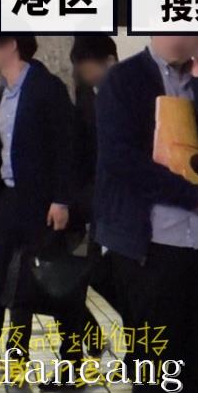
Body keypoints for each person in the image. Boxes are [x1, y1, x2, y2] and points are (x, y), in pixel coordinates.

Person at [94, 36, 198, 393]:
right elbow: (119, 157)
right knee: (154, 370)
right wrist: (189, 196)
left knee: (195, 366)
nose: (179, 37)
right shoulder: (124, 78)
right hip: (150, 246)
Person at [0, 19, 76, 392]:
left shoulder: (46, 88)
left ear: (9, 45)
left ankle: (71, 359)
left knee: (44, 284)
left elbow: (66, 146)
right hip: (8, 198)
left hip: (41, 204)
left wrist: (61, 199)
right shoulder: (3, 89)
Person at [69, 35, 125, 356]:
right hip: (94, 203)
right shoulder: (87, 96)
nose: (82, 72)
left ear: (109, 61)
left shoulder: (129, 95)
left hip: (118, 206)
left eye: (86, 65)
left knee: (101, 276)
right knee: (89, 275)